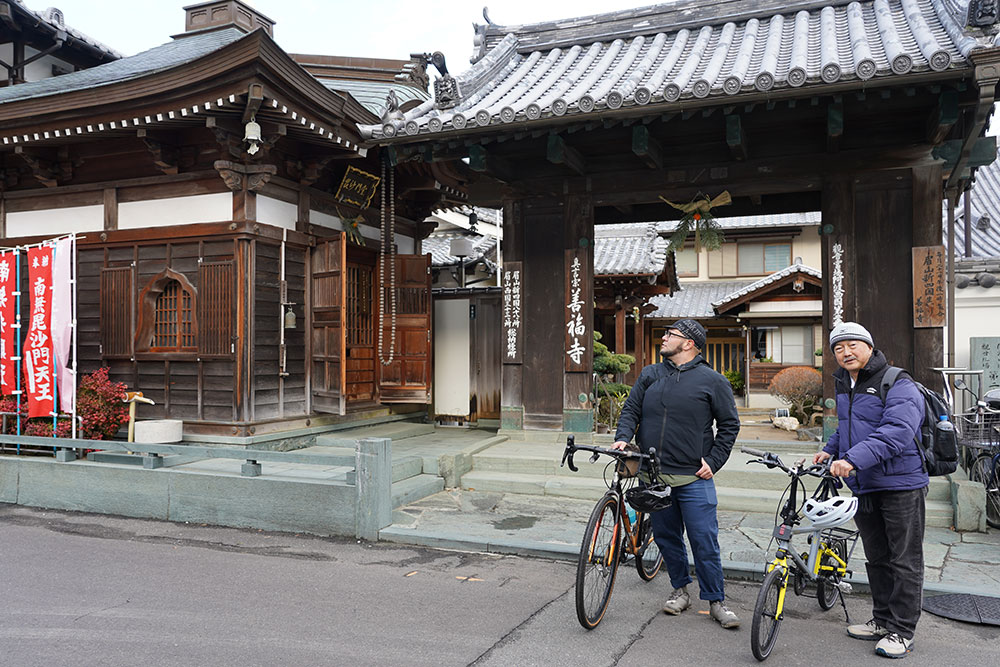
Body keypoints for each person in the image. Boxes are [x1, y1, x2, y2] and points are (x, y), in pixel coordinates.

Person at [613, 319, 741, 628]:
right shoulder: (650, 374)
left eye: (672, 334)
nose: (665, 337)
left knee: (704, 540)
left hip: (694, 477)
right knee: (668, 538)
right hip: (654, 476)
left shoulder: (712, 381)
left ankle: (716, 601)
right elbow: (631, 409)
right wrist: (622, 436)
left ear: (689, 344)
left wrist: (715, 459)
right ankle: (680, 590)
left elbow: (729, 425)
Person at [813, 322, 927, 659]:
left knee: (904, 560)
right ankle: (882, 620)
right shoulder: (846, 383)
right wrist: (831, 449)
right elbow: (850, 427)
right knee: (876, 558)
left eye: (852, 345)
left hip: (901, 483)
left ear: (869, 346)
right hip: (865, 483)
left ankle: (902, 631)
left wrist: (851, 459)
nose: (846, 352)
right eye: (838, 348)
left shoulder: (897, 382)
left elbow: (897, 431)